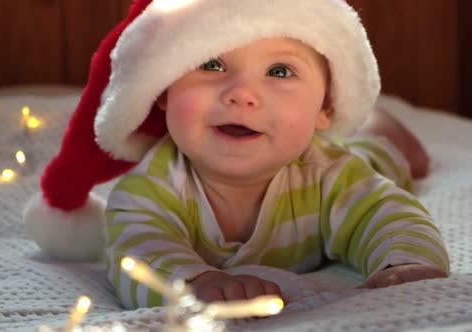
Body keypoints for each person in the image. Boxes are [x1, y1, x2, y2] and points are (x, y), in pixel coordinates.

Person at [23, 0, 449, 310]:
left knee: (401, 157)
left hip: (355, 155)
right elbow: (136, 253)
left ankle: (377, 121)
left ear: (326, 108)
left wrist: (405, 260)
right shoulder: (151, 189)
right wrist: (197, 281)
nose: (242, 94)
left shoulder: (334, 175)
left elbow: (390, 215)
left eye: (280, 71)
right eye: (211, 64)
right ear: (163, 91)